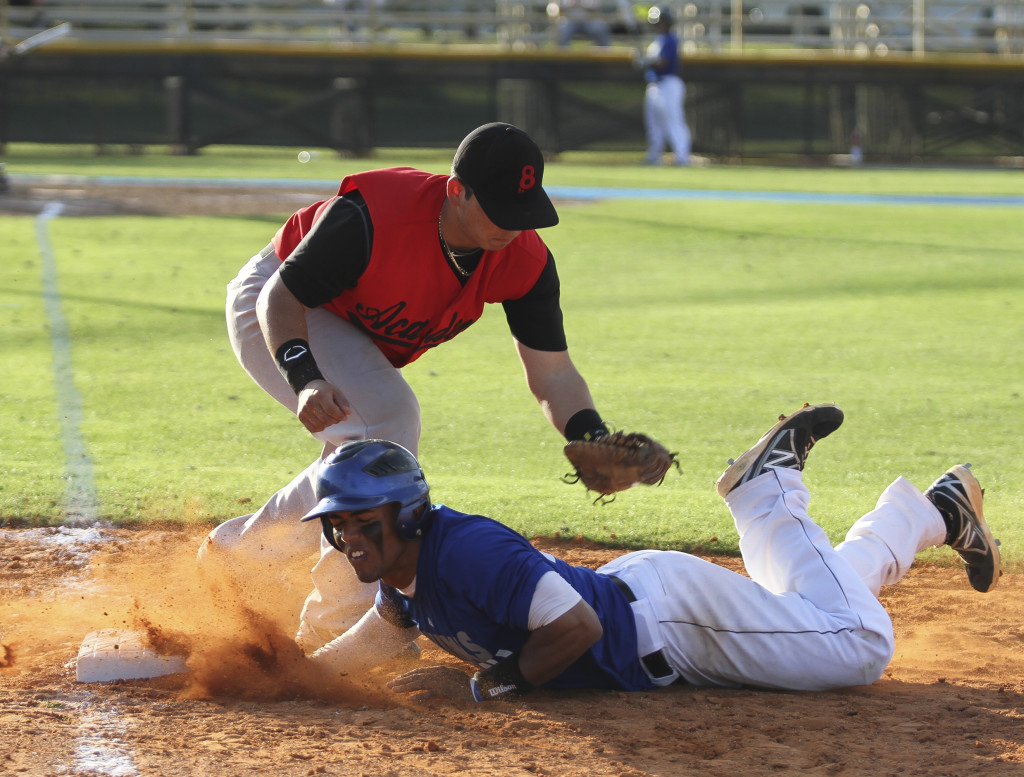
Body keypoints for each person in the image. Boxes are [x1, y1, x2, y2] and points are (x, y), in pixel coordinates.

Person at [199, 122, 618, 652]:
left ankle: (244, 554)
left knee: (371, 438)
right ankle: (335, 620)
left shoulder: (525, 261)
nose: (514, 227)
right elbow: (280, 299)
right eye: (499, 209)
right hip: (281, 304)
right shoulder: (374, 218)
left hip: (338, 324)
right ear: (456, 191)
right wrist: (305, 379)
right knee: (386, 424)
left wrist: (593, 435)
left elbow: (552, 372)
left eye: (525, 211)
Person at [303, 403, 1001, 700]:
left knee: (857, 642)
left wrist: (486, 684)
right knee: (817, 608)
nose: (349, 535)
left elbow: (578, 627)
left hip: (669, 623)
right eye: (338, 523)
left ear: (407, 512)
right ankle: (929, 513)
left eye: (363, 517)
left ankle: (766, 493)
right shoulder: (406, 575)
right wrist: (282, 674)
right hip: (654, 606)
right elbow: (376, 641)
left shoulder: (470, 553)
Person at [638, 7, 691, 166]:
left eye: (662, 22)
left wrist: (648, 61)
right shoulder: (657, 41)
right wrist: (644, 61)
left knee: (673, 119)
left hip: (669, 83)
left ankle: (682, 156)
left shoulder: (670, 39)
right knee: (654, 123)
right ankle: (654, 156)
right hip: (655, 85)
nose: (659, 25)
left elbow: (664, 62)